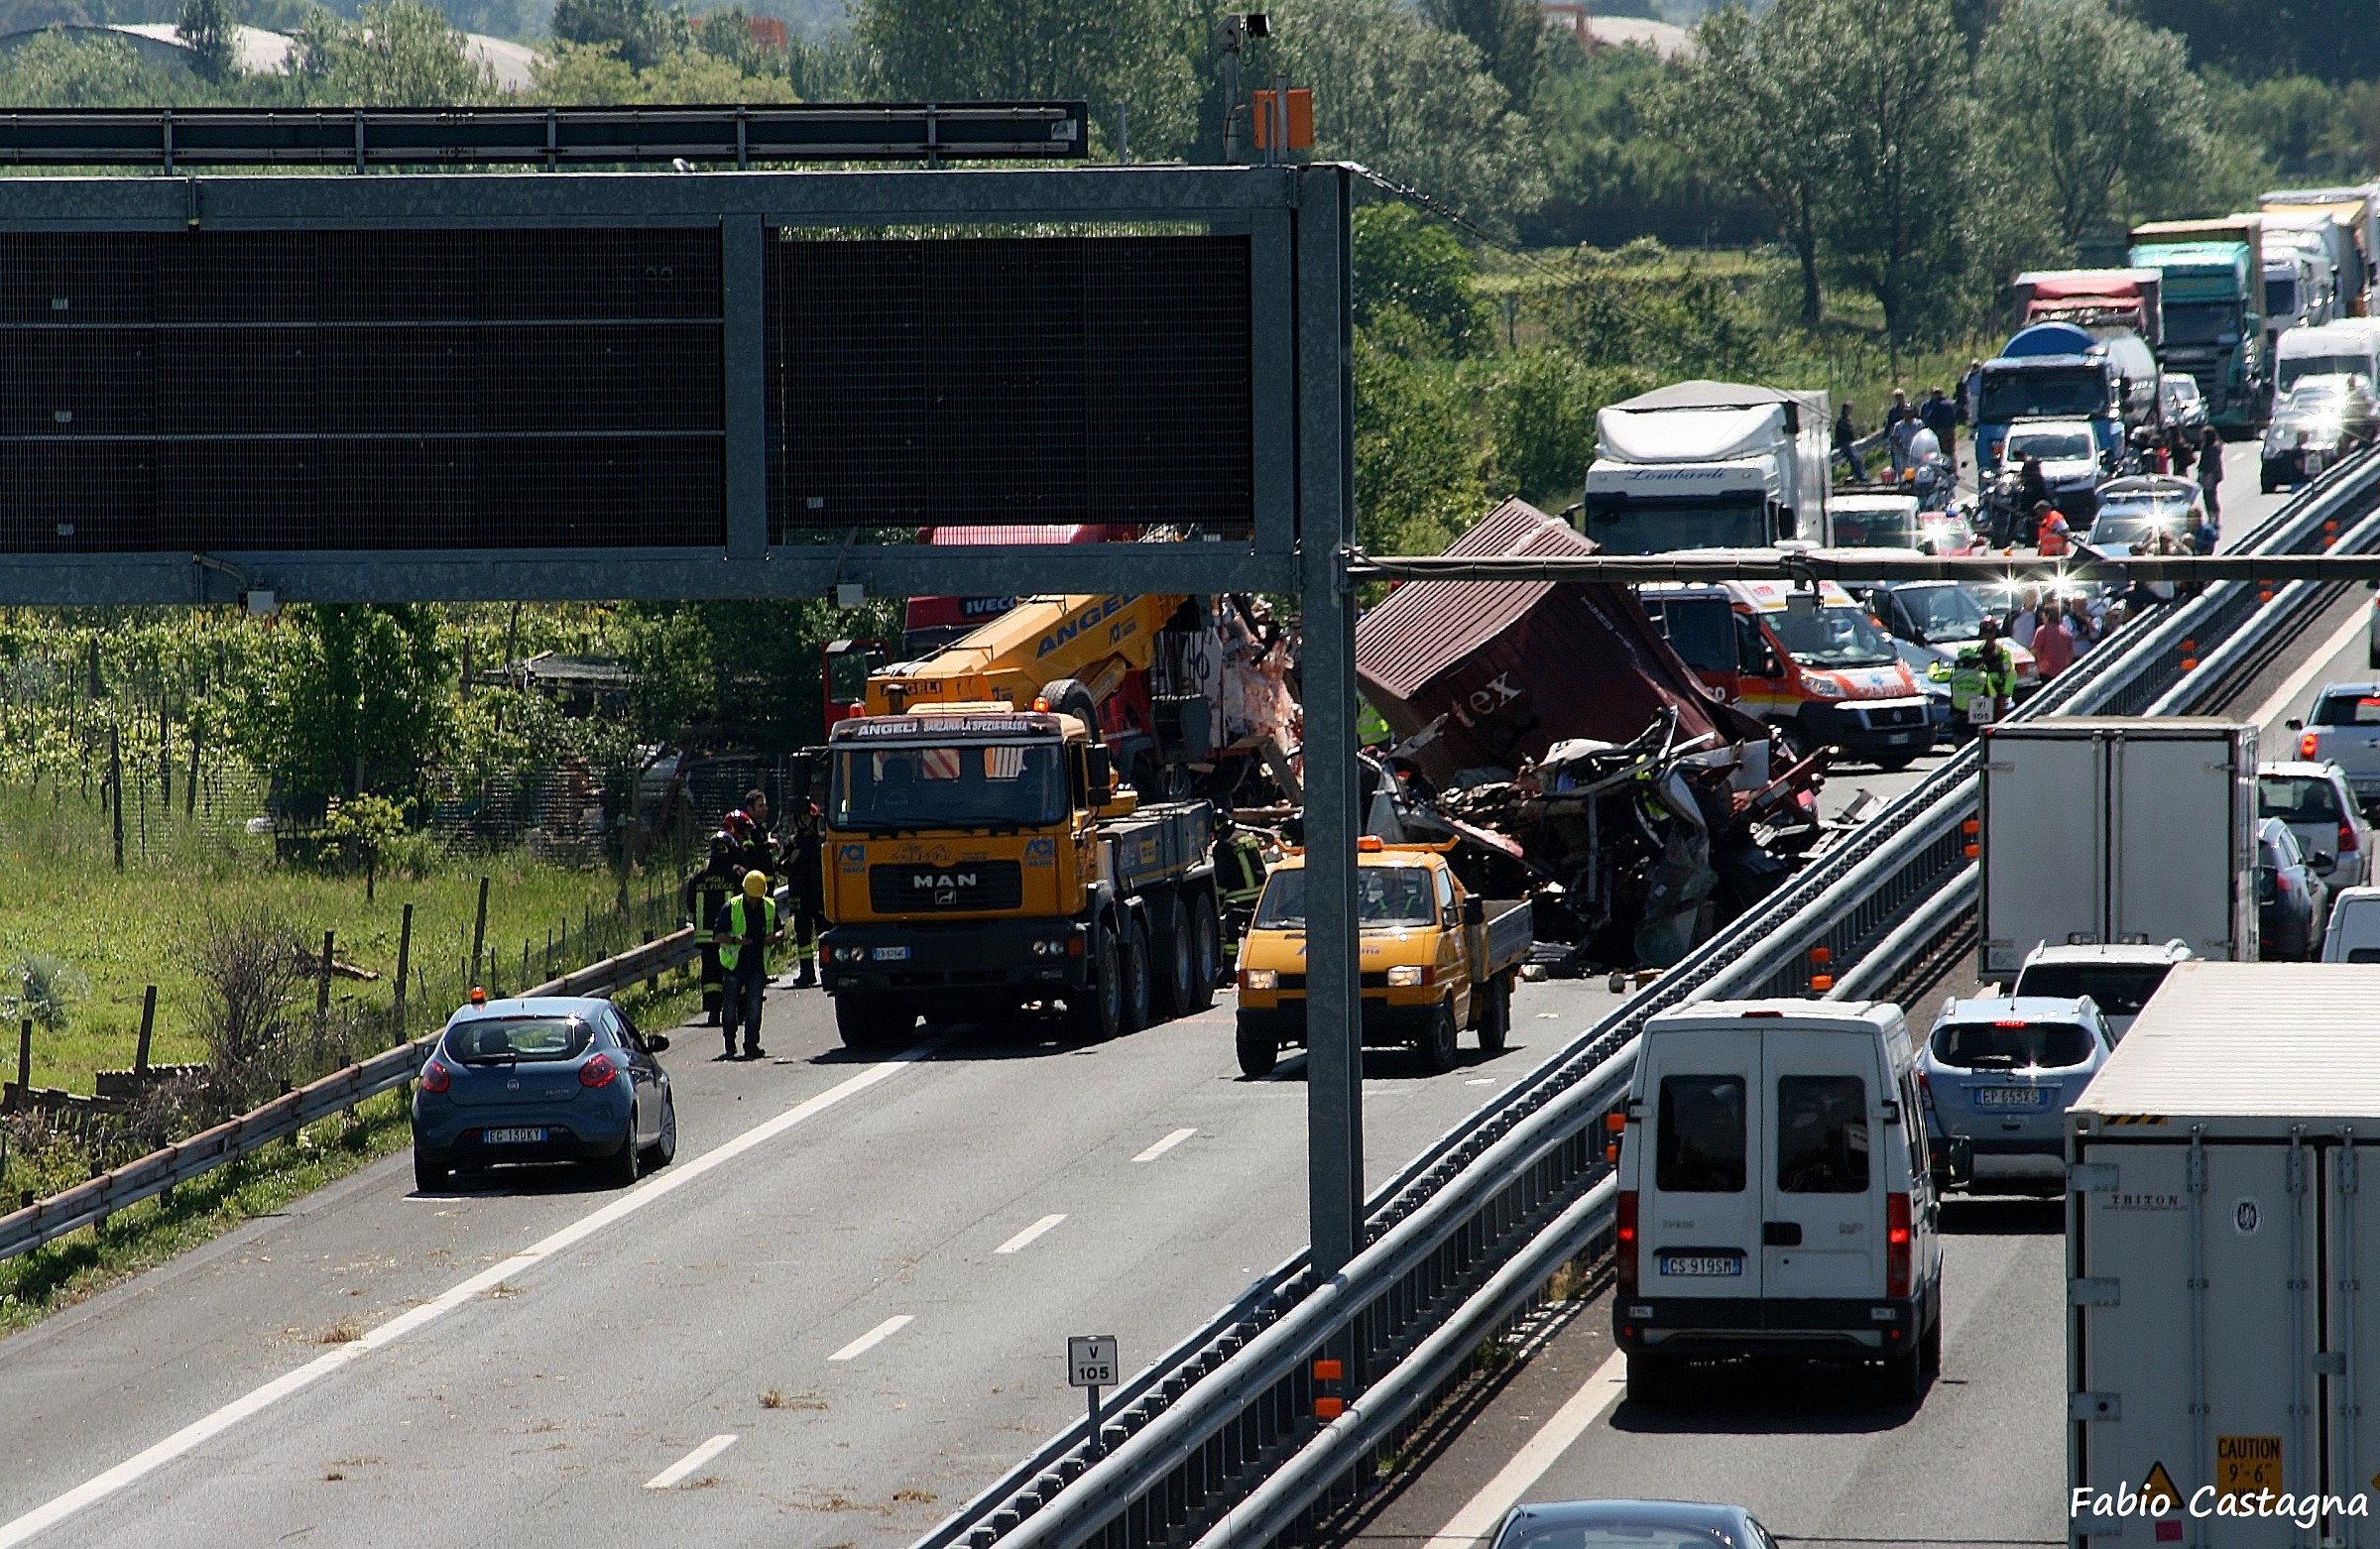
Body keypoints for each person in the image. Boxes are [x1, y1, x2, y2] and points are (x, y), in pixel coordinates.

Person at [715, 869, 782, 1059]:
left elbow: (780, 930)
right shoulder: (731, 907)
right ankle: (729, 1046)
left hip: (756, 966)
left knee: (754, 1008)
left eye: (757, 898)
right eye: (751, 898)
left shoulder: (769, 906)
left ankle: (751, 1045)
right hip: (734, 966)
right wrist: (736, 940)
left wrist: (774, 938)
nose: (754, 902)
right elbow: (717, 936)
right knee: (729, 1008)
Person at [679, 829, 743, 1026]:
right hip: (731, 936)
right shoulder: (736, 874)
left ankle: (714, 1012)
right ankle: (738, 1011)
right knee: (735, 971)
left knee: (711, 975)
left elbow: (690, 904)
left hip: (706, 938)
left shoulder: (698, 877)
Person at [783, 800, 826, 988]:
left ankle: (828, 970)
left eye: (808, 818)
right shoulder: (792, 844)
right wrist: (790, 860)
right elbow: (782, 869)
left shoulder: (822, 843)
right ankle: (807, 972)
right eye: (802, 818)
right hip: (800, 897)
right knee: (803, 935)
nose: (805, 822)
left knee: (825, 932)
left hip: (820, 896)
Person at [1950, 616, 2018, 731]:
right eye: (1985, 633)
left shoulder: (2003, 653)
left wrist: (2006, 694)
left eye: (1990, 633)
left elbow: (2010, 674)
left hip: (1996, 695)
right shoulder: (1976, 652)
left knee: (1995, 726)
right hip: (1979, 696)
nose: (1987, 637)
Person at [2030, 604, 2074, 680]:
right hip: (2061, 672)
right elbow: (2070, 656)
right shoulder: (2066, 633)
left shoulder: (2042, 630)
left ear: (2047, 616)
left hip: (2045, 671)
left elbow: (2035, 650)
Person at [1921, 387, 1958, 472]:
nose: (1936, 395)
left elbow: (1952, 419)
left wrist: (1948, 430)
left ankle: (1951, 470)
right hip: (1931, 433)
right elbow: (1923, 417)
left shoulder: (1947, 404)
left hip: (1945, 432)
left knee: (1947, 453)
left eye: (1937, 393)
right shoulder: (1926, 405)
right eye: (1934, 393)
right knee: (1932, 453)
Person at [1885, 389, 1918, 476]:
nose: (1899, 398)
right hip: (1901, 440)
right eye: (1897, 397)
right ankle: (1904, 480)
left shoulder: (1912, 406)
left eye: (1900, 396)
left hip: (1913, 440)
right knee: (1902, 466)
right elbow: (1890, 424)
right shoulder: (1893, 411)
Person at [2197, 425, 2224, 518]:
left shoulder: (2213, 448)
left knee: (2210, 496)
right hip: (2208, 475)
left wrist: (2209, 474)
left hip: (2211, 475)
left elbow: (2213, 463)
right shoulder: (2207, 446)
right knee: (2208, 496)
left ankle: (2214, 515)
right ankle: (2212, 515)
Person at [1835, 402, 1865, 482]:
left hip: (1849, 443)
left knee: (1857, 457)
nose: (1850, 411)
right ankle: (1862, 476)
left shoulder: (1847, 419)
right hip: (1844, 443)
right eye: (1849, 409)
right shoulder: (1841, 420)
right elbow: (1842, 434)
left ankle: (1860, 475)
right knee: (1855, 458)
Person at [1960, 358, 1984, 427]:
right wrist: (1971, 374)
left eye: (1976, 366)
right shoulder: (1970, 374)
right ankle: (1974, 424)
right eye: (1974, 366)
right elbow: (1964, 382)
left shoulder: (1982, 373)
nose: (1975, 367)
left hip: (1981, 394)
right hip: (1973, 395)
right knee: (1973, 410)